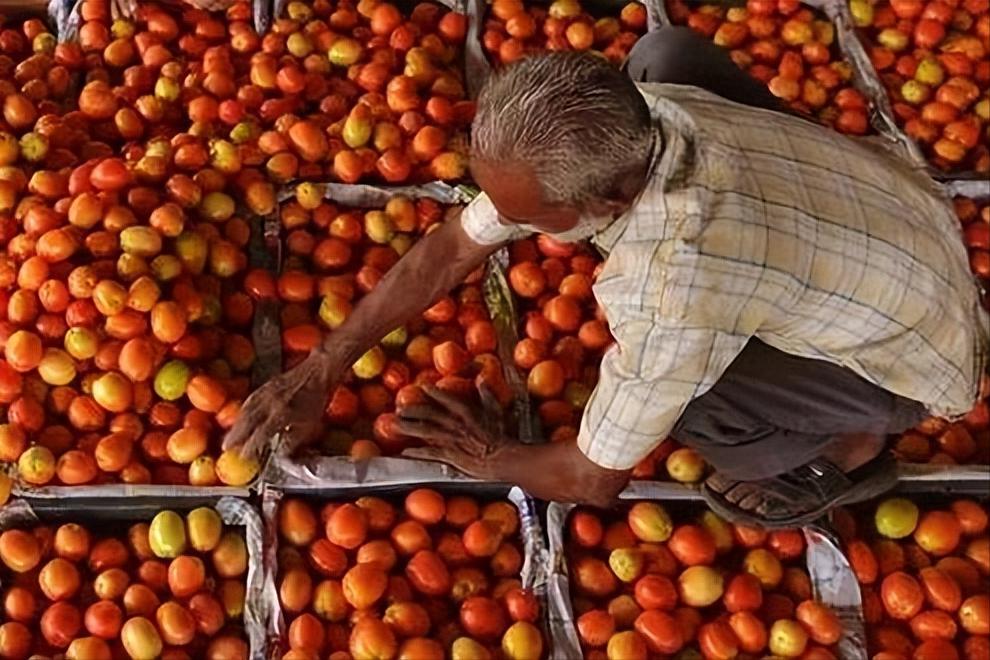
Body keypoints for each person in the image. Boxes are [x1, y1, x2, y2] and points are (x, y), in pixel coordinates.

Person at [225, 28, 988, 527]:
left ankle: (848, 451)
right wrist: (325, 363)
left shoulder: (671, 286)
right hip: (902, 221)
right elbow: (455, 244)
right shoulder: (651, 107)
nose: (505, 220)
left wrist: (490, 459)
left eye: (535, 215)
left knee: (689, 402)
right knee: (670, 51)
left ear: (610, 199)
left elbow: (594, 479)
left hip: (919, 354)